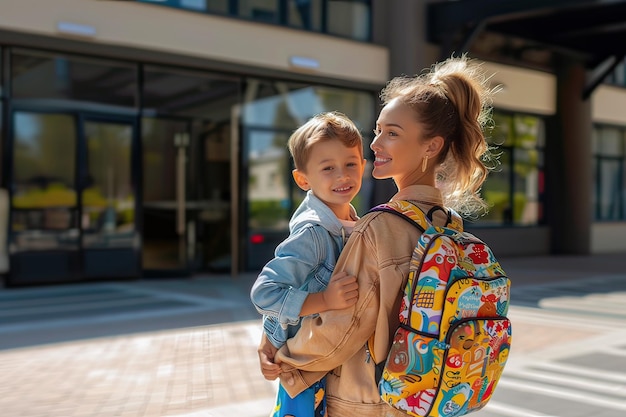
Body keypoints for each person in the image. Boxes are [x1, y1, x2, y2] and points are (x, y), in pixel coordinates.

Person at [258, 55, 498, 416]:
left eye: (392, 133)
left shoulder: (379, 228)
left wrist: (282, 358)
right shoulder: (448, 224)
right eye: (379, 130)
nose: (375, 145)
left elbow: (341, 330)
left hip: (365, 402)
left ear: (431, 147)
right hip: (420, 399)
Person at [250, 111, 366, 417]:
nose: (342, 176)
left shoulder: (354, 222)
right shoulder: (313, 232)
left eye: (350, 164)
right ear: (303, 179)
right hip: (304, 363)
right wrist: (324, 300)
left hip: (326, 357)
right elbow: (265, 292)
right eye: (328, 168)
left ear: (363, 166)